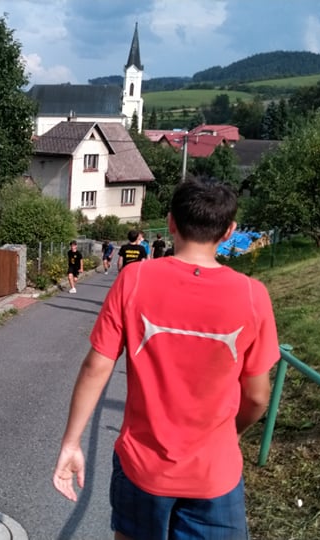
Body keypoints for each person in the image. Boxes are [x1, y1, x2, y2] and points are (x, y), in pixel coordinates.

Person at [51, 178, 280, 539]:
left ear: (171, 222)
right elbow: (257, 397)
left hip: (142, 466)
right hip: (214, 473)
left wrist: (71, 442)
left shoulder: (134, 279)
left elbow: (97, 366)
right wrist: (228, 435)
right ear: (229, 231)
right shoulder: (253, 295)